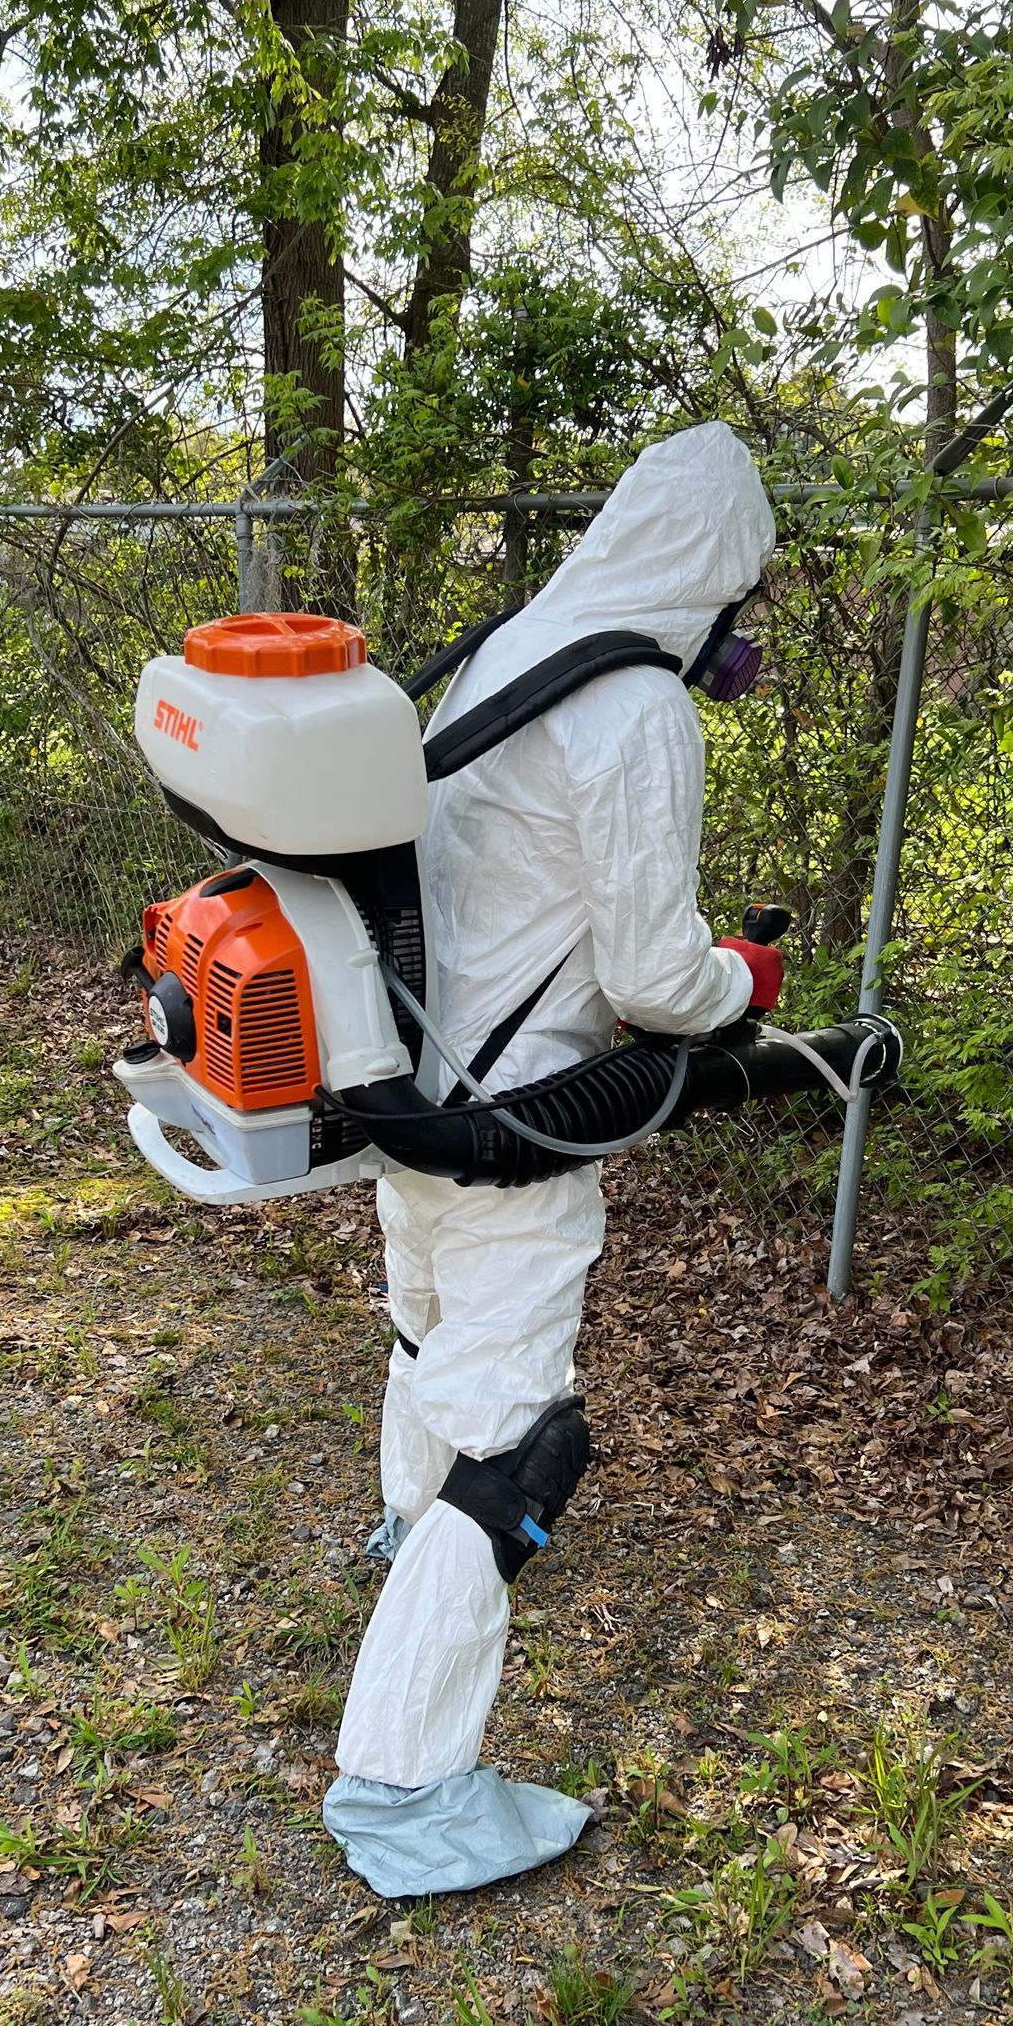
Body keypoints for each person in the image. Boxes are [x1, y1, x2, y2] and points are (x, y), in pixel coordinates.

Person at [321, 422, 784, 1898]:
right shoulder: (639, 706)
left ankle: (407, 1533)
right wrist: (742, 980)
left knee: (427, 1325)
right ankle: (403, 1789)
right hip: (519, 1119)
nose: (739, 638)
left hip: (406, 1079)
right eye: (743, 601)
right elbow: (653, 977)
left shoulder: (511, 646)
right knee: (525, 1442)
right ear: (715, 578)